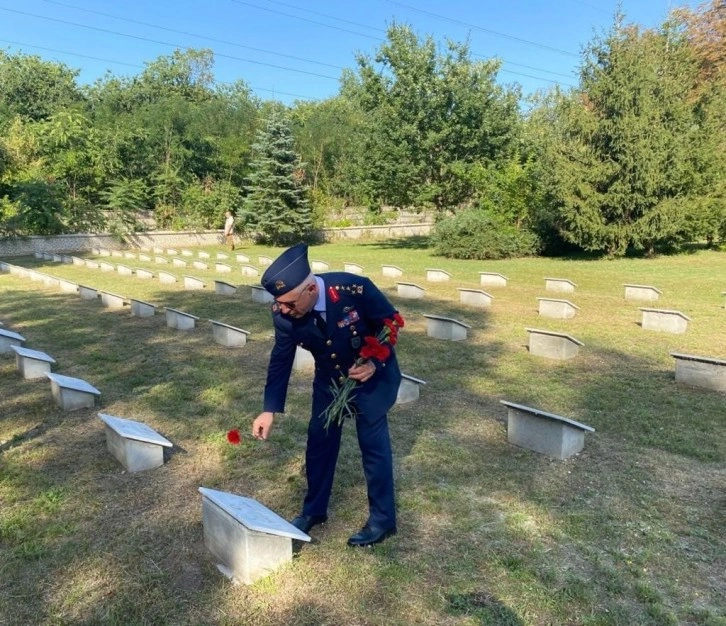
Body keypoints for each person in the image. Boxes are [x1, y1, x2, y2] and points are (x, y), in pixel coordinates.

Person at [252, 243, 401, 547]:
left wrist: (375, 362)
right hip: (330, 384)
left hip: (370, 380)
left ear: (309, 289)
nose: (283, 309)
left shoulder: (353, 290)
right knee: (319, 443)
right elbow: (280, 359)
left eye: (289, 303)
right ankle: (314, 511)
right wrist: (269, 409)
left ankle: (383, 521)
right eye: (279, 303)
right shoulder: (283, 316)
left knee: (374, 448)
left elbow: (390, 323)